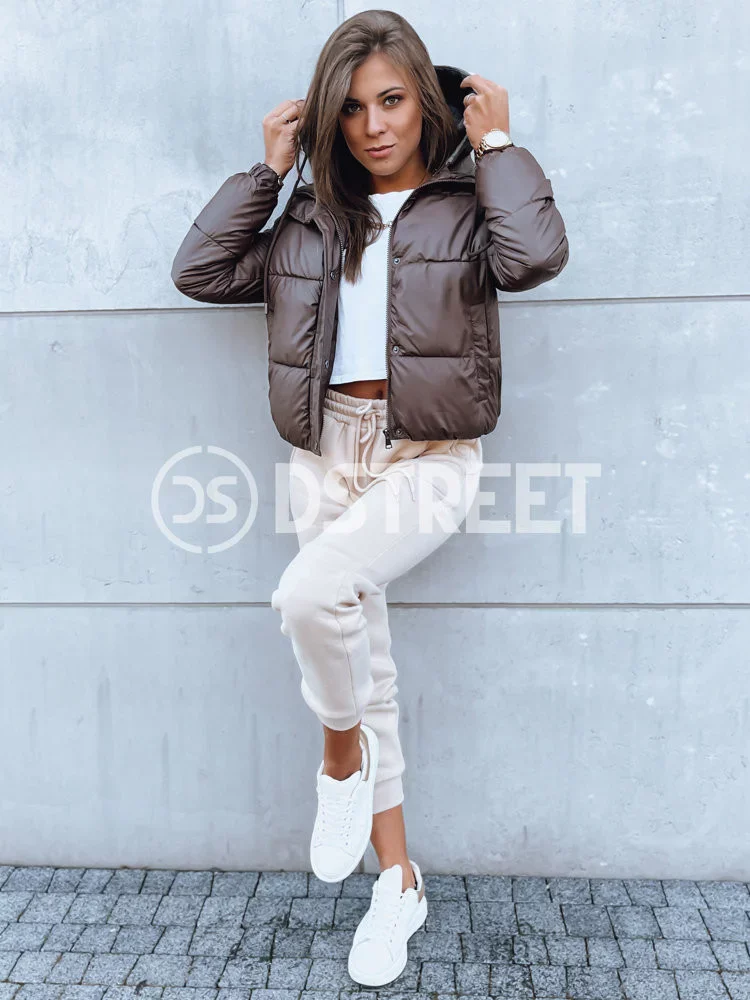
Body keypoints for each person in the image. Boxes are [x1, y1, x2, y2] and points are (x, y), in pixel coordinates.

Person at [171, 9, 569, 988]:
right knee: (367, 664)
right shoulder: (312, 220)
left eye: (391, 100)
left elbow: (534, 258)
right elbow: (199, 270)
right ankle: (399, 882)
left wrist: (499, 146)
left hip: (428, 451)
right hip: (326, 452)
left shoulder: (467, 207)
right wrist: (268, 175)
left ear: (425, 102)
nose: (373, 125)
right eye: (351, 108)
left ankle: (338, 762)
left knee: (309, 596)